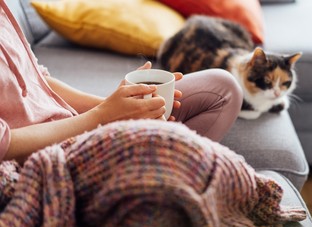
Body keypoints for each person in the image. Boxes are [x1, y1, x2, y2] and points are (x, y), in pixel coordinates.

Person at [0, 0, 243, 165]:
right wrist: (102, 117)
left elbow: (38, 80)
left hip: (77, 127)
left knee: (221, 88)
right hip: (46, 161)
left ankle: (162, 180)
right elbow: (5, 145)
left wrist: (122, 108)